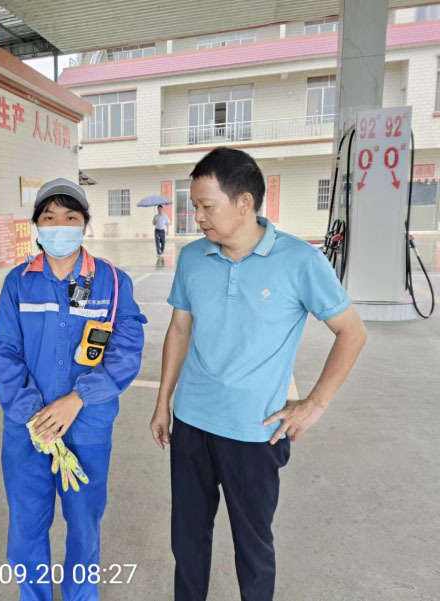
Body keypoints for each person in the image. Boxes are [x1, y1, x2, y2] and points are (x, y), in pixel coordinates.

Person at [149, 148, 367, 601]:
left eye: (207, 206)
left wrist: (314, 404)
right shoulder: (192, 258)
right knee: (187, 541)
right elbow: (179, 329)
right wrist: (162, 401)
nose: (198, 216)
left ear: (244, 202)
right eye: (195, 205)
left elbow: (352, 332)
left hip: (254, 433)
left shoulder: (299, 261)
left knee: (253, 550)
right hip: (191, 423)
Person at [0, 178, 147, 601]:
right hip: (28, 430)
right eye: (49, 217)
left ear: (85, 225)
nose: (59, 226)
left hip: (88, 427)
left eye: (70, 217)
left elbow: (126, 351)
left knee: (84, 526)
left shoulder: (112, 283)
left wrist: (78, 399)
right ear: (37, 225)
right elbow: (3, 352)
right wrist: (35, 415)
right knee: (26, 527)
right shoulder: (18, 283)